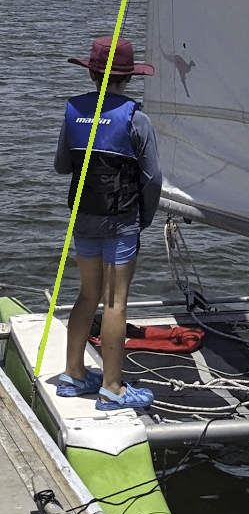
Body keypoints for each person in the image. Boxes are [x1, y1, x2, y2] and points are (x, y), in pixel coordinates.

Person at [53, 34, 162, 412]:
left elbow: (61, 166)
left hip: (82, 216)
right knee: (115, 301)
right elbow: (153, 179)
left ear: (92, 76)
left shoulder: (73, 110)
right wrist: (144, 217)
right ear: (128, 78)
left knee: (88, 293)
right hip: (121, 221)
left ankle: (72, 375)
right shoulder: (138, 118)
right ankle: (112, 388)